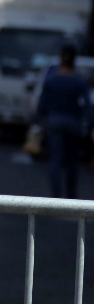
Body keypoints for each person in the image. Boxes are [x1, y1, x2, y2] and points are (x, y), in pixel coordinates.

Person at [36, 45, 89, 199]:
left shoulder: (52, 80)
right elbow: (87, 105)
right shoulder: (79, 81)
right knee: (72, 161)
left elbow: (42, 104)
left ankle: (56, 196)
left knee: (55, 160)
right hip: (73, 122)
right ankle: (71, 196)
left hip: (54, 121)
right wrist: (91, 124)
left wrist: (38, 121)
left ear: (60, 59)